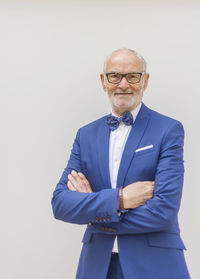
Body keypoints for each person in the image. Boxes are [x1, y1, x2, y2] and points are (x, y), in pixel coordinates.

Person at [51, 48, 190, 279]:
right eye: (114, 76)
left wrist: (94, 214)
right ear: (103, 81)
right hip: (97, 266)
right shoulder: (85, 135)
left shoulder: (168, 129)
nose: (123, 84)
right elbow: (61, 204)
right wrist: (120, 199)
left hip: (155, 265)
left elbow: (163, 211)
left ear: (145, 81)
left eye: (132, 76)